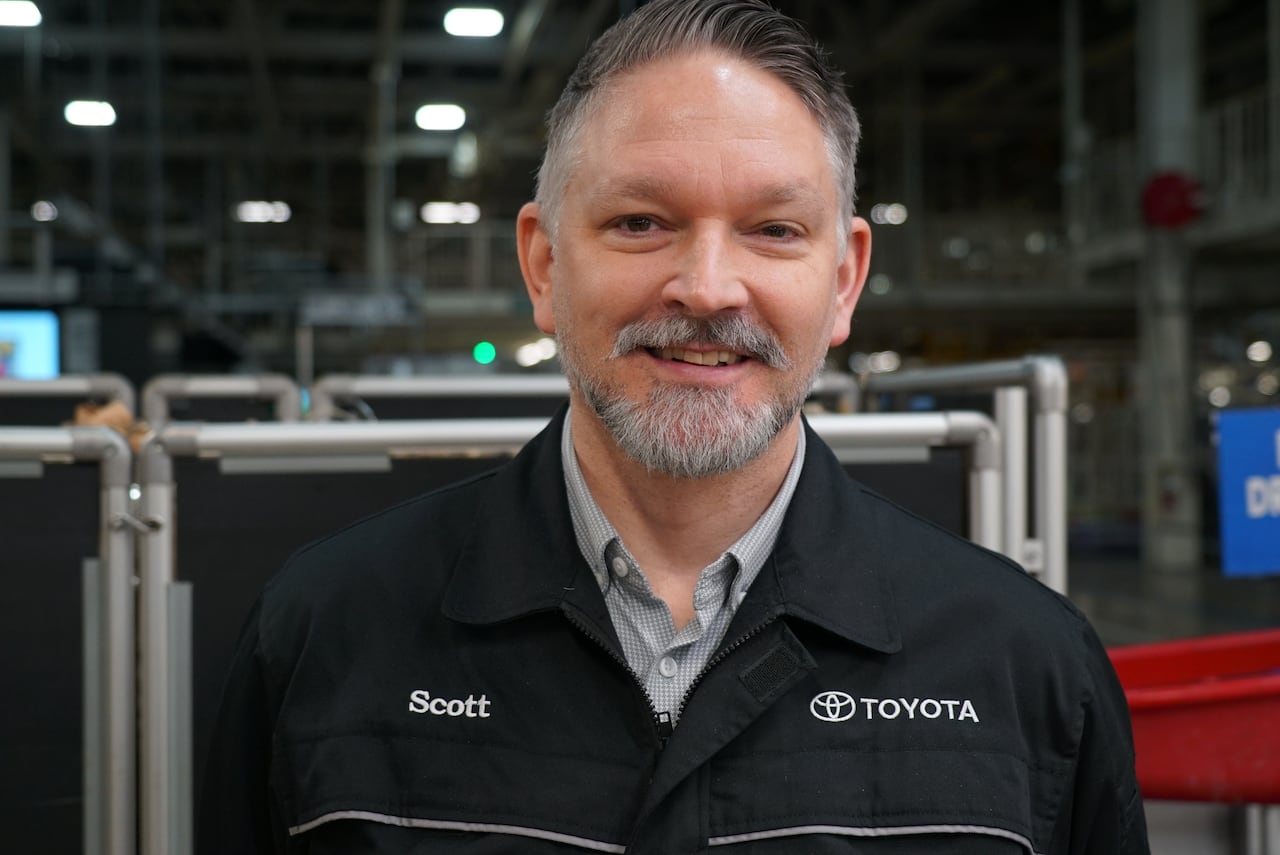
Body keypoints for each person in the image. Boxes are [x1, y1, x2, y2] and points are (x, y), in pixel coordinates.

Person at [199, 1, 1150, 852]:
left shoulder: (1026, 670)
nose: (705, 287)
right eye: (641, 222)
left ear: (846, 279)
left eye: (774, 230)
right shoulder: (323, 635)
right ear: (542, 266)